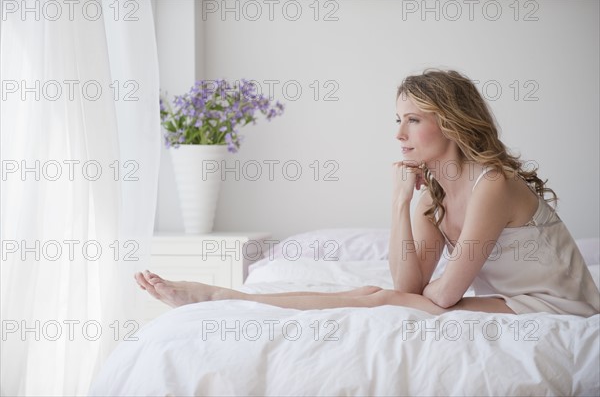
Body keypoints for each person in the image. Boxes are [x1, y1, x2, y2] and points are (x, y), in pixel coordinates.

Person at [135, 69, 599, 316]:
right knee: (376, 292)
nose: (400, 133)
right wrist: (400, 202)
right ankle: (223, 296)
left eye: (414, 119)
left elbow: (439, 296)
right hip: (522, 302)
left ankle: (218, 297)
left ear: (453, 123)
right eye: (398, 119)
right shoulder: (431, 197)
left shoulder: (491, 183)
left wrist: (408, 294)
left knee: (379, 298)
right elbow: (410, 284)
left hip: (561, 308)